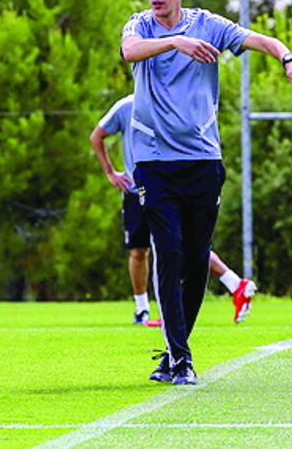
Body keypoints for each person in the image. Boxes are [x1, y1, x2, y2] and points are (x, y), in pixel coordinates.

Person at [121, 0, 292, 384]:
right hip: (154, 163)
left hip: (203, 161)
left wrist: (287, 57)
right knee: (167, 254)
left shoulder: (209, 24)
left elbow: (260, 40)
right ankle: (181, 358)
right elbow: (130, 52)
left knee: (194, 260)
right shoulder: (140, 26)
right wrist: (175, 43)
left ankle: (174, 353)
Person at [90, 94, 258, 326]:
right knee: (140, 250)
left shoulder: (174, 102)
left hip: (169, 186)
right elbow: (97, 136)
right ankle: (143, 310)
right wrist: (110, 172)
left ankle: (225, 288)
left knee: (177, 244)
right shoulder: (126, 106)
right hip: (138, 188)